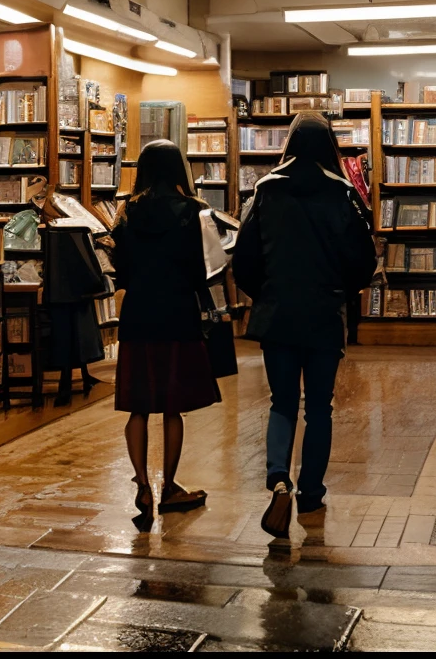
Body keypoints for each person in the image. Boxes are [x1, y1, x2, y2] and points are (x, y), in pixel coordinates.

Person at [233, 112, 377, 539]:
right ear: (330, 146)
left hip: (277, 314)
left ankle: (279, 477)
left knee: (281, 403)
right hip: (323, 313)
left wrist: (266, 294)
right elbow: (363, 262)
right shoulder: (343, 194)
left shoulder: (265, 191)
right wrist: (340, 293)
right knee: (319, 409)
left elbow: (244, 260)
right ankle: (310, 492)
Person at [110, 139, 222, 521]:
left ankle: (142, 484)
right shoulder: (195, 212)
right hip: (177, 314)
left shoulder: (126, 213)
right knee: (172, 408)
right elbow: (203, 271)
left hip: (138, 315)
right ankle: (169, 487)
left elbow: (120, 272)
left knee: (137, 406)